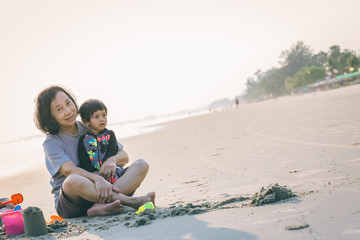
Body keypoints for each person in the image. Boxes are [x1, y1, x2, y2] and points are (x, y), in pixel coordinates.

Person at [34, 86, 155, 218]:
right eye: (59, 109)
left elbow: (123, 156)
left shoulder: (88, 127)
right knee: (72, 180)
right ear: (51, 118)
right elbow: (69, 170)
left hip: (105, 188)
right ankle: (132, 201)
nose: (68, 111)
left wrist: (111, 161)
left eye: (68, 103)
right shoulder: (51, 142)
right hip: (75, 201)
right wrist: (97, 179)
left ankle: (99, 206)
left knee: (141, 164)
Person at [77, 99, 123, 184]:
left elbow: (112, 150)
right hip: (94, 176)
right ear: (86, 121)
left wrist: (105, 166)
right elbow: (84, 160)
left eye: (104, 115)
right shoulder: (83, 140)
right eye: (96, 117)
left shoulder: (110, 134)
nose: (102, 119)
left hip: (112, 171)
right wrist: (93, 173)